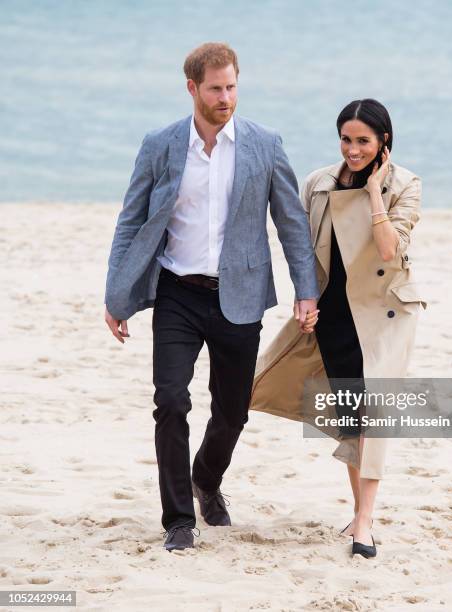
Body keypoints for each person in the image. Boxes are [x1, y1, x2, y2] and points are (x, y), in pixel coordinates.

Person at [104, 42, 319, 552]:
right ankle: (178, 519)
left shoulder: (264, 145)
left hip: (239, 293)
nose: (226, 97)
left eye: (232, 86)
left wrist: (305, 290)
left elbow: (290, 222)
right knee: (171, 402)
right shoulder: (160, 145)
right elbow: (130, 221)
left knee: (233, 411)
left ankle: (207, 478)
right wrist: (116, 295)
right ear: (192, 89)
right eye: (215, 88)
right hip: (177, 290)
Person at [250, 98, 427, 558]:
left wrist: (373, 194)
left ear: (383, 141)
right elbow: (304, 250)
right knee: (351, 419)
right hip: (334, 312)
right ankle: (358, 510)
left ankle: (365, 520)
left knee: (375, 416)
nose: (352, 149)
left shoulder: (405, 185)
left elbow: (390, 250)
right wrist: (303, 297)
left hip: (384, 315)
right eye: (346, 140)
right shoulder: (318, 183)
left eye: (363, 141)